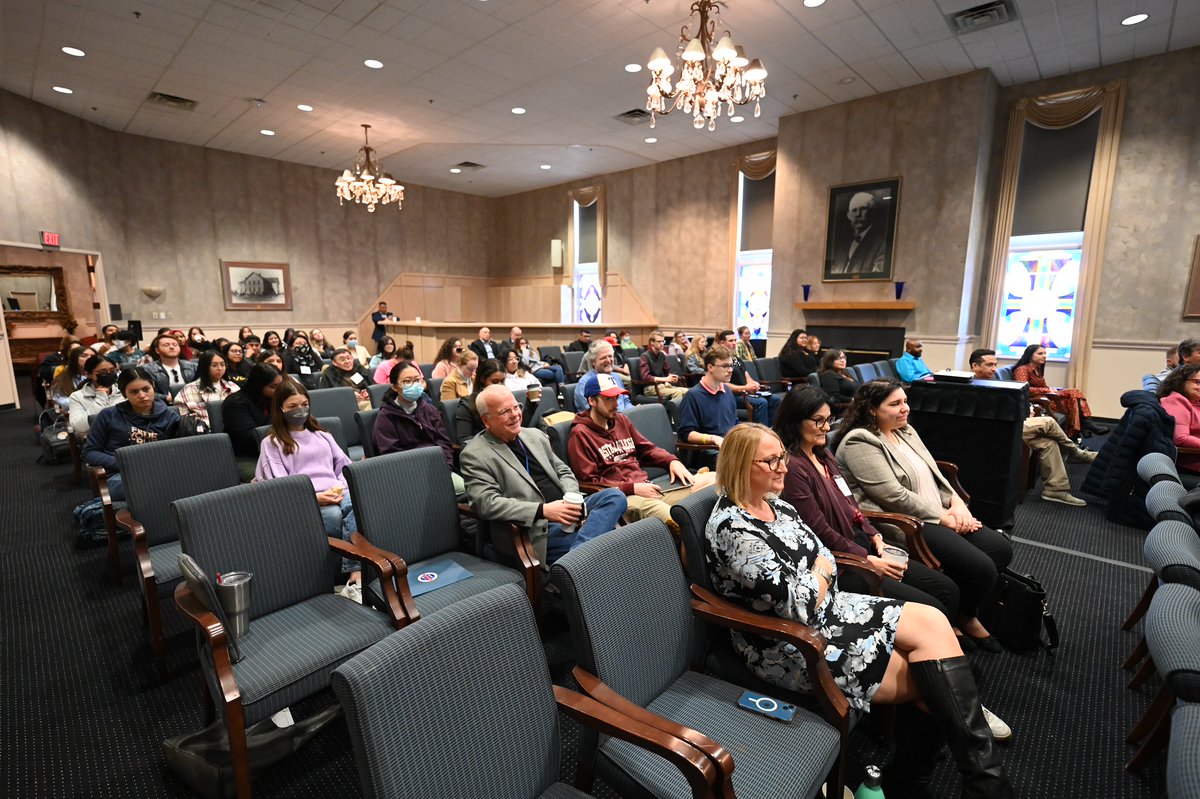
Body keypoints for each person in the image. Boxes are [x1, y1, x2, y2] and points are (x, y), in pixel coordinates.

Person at [704, 423, 1013, 799]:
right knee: (937, 685)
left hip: (833, 609)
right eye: (770, 461)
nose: (782, 467)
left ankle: (973, 783)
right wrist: (818, 575)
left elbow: (826, 559)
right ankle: (940, 782)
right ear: (740, 465)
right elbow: (797, 604)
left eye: (782, 457)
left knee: (934, 622)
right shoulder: (733, 528)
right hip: (784, 642)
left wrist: (816, 576)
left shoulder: (778, 506)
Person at [835, 379, 1014, 653]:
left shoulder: (904, 430)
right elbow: (894, 496)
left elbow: (933, 473)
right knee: (981, 568)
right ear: (872, 409)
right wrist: (943, 518)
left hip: (939, 511)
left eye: (904, 401)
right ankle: (964, 615)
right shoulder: (860, 441)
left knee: (999, 548)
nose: (905, 408)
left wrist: (955, 503)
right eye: (895, 404)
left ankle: (965, 609)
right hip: (907, 522)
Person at [460, 385, 626, 566]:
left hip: (569, 510)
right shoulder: (475, 454)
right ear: (486, 420)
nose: (515, 414)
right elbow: (486, 503)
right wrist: (544, 511)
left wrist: (573, 500)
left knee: (615, 496)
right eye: (505, 412)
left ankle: (578, 558)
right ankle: (583, 555)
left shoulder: (535, 435)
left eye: (516, 407)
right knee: (611, 543)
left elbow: (563, 471)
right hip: (535, 529)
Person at [255, 381, 363, 602]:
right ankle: (338, 578)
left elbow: (343, 468)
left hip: (335, 491)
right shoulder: (272, 442)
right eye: (293, 406)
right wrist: (315, 498)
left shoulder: (323, 435)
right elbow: (279, 485)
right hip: (302, 499)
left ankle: (355, 574)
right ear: (281, 409)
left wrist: (341, 488)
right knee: (334, 516)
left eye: (304, 404)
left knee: (358, 503)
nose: (300, 410)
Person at [567, 372, 712, 531]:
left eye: (617, 397)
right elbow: (588, 482)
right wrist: (632, 488)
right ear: (592, 401)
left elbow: (646, 449)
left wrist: (672, 461)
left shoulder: (620, 420)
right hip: (625, 499)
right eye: (609, 399)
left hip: (649, 488)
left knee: (715, 483)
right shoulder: (580, 434)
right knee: (682, 521)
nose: (616, 404)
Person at [970, 349, 1095, 505]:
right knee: (1048, 422)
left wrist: (1024, 411)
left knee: (1048, 443)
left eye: (995, 364)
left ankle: (1056, 490)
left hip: (1012, 425)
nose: (994, 369)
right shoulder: (970, 387)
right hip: (997, 430)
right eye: (989, 365)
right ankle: (1075, 452)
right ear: (975, 366)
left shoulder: (995, 383)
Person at [83, 367, 181, 501]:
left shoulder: (170, 416)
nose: (141, 395)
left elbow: (178, 451)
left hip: (160, 472)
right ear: (124, 393)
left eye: (146, 389)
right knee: (155, 487)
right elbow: (90, 452)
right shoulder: (108, 415)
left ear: (153, 386)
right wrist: (125, 463)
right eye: (134, 392)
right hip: (121, 475)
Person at [373, 359, 465, 496]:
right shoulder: (386, 417)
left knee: (464, 488)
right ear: (394, 387)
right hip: (407, 474)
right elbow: (389, 455)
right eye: (407, 381)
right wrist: (416, 474)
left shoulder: (429, 409)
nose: (414, 385)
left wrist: (445, 468)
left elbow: (444, 442)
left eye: (417, 380)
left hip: (438, 468)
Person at [1013, 343, 1102, 438]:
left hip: (1043, 396)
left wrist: (1050, 390)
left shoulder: (1038, 369)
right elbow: (1023, 389)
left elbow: (1044, 387)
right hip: (1035, 401)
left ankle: (1082, 427)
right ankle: (1084, 426)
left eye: (1045, 353)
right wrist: (1047, 390)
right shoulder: (1022, 369)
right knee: (1073, 394)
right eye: (1040, 353)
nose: (1044, 356)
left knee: (1074, 395)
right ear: (1030, 355)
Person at [456, 358, 537, 442]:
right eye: (495, 381)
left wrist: (531, 403)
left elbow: (517, 427)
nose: (500, 385)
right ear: (482, 379)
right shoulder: (467, 405)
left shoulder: (506, 399)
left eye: (502, 381)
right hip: (487, 451)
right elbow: (464, 440)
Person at [677, 346, 738, 450]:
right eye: (725, 366)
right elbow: (687, 433)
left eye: (731, 365)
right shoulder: (693, 396)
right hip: (707, 449)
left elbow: (734, 423)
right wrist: (713, 439)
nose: (730, 370)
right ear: (710, 367)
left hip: (729, 446)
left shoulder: (727, 391)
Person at [222, 363, 284, 459]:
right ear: (258, 386)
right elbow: (249, 438)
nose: (279, 390)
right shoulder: (235, 403)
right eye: (273, 387)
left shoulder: (276, 398)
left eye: (280, 385)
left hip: (278, 448)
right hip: (247, 454)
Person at [718, 329, 779, 424]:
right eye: (731, 341)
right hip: (732, 395)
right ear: (722, 343)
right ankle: (759, 434)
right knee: (761, 402)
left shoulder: (736, 359)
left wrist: (753, 384)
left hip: (745, 393)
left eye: (735, 340)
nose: (734, 343)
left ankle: (772, 429)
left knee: (775, 400)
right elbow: (722, 384)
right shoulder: (720, 361)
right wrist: (745, 387)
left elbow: (747, 376)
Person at [174, 349, 239, 425]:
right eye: (214, 365)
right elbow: (183, 420)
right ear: (204, 367)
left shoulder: (233, 386)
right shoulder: (189, 389)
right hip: (204, 432)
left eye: (222, 364)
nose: (220, 368)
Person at [830, 191, 888, 275]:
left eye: (863, 209)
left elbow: (876, 277)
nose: (858, 214)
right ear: (849, 216)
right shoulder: (842, 245)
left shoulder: (881, 243)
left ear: (872, 211)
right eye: (854, 210)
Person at [1158, 363, 1200, 474]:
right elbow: (1180, 438)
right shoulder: (1176, 401)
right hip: (1191, 465)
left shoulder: (1196, 402)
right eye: (1198, 382)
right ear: (1180, 381)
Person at [68, 355, 122, 439]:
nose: (108, 374)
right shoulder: (77, 397)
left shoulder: (124, 390)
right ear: (88, 374)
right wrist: (100, 399)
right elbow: (79, 427)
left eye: (112, 370)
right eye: (102, 372)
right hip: (99, 440)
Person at [574, 340, 633, 413]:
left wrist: (633, 412)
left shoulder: (616, 377)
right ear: (593, 362)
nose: (608, 360)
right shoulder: (585, 383)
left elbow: (625, 401)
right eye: (603, 358)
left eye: (610, 356)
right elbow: (594, 411)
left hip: (622, 418)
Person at [143, 333, 197, 400]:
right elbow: (145, 392)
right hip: (165, 405)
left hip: (193, 401)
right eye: (166, 345)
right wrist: (166, 398)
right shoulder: (147, 369)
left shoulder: (193, 366)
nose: (171, 347)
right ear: (157, 350)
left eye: (175, 345)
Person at [638, 331, 688, 402]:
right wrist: (665, 379)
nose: (662, 344)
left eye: (663, 341)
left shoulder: (661, 355)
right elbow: (645, 377)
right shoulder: (645, 356)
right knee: (678, 392)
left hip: (662, 385)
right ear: (652, 342)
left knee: (687, 391)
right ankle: (673, 412)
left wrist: (672, 377)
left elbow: (667, 371)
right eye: (659, 341)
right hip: (650, 387)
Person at [52, 345, 93, 411]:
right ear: (74, 359)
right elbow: (63, 401)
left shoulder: (101, 377)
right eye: (84, 356)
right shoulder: (64, 378)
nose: (89, 358)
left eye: (93, 356)